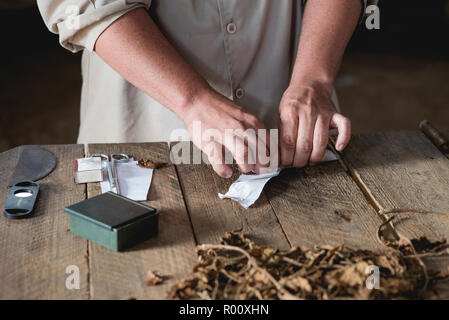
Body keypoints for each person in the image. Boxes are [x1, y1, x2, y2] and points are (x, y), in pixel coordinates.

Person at [38, 0, 374, 178]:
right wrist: (193, 100)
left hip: (287, 142)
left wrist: (313, 79)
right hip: (146, 135)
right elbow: (88, 4)